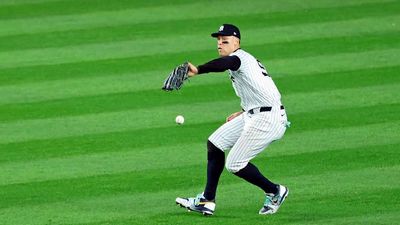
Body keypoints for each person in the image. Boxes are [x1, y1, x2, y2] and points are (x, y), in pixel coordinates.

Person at [175, 24, 289, 216]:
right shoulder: (243, 61)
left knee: (235, 164)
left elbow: (225, 64)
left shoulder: (238, 58)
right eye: (218, 40)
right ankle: (207, 200)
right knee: (215, 143)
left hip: (268, 119)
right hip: (254, 113)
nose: (220, 43)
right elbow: (260, 87)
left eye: (225, 40)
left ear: (237, 42)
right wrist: (244, 110)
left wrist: (199, 70)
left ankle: (275, 191)